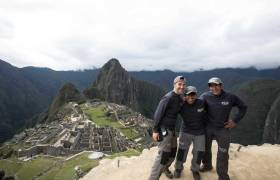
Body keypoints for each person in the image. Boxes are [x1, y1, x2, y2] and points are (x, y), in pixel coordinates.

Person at [199, 77, 247, 180]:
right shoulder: (205, 96)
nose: (214, 88)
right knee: (205, 149)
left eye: (216, 85)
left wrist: (234, 121)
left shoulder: (230, 97)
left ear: (221, 85)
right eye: (211, 86)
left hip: (223, 129)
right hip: (208, 128)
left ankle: (223, 176)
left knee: (223, 153)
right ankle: (207, 165)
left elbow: (243, 107)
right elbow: (196, 107)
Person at [148, 76, 186, 180]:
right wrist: (155, 130)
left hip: (172, 130)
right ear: (174, 84)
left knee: (173, 153)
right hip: (164, 130)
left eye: (183, 84)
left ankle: (165, 169)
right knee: (163, 156)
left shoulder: (179, 98)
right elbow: (158, 114)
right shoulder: (168, 98)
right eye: (179, 84)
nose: (182, 87)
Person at [173, 86, 206, 180]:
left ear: (196, 95)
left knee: (199, 152)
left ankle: (195, 170)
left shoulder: (202, 103)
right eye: (189, 95)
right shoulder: (181, 105)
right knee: (182, 151)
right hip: (186, 131)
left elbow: (209, 113)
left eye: (193, 94)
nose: (191, 97)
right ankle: (178, 168)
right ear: (185, 96)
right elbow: (171, 112)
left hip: (200, 132)